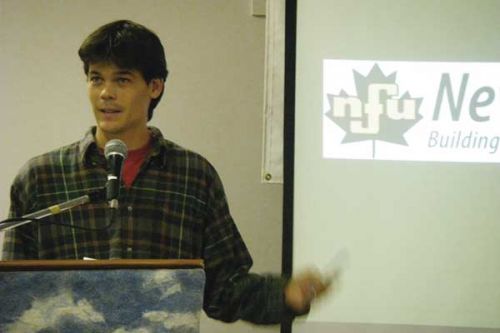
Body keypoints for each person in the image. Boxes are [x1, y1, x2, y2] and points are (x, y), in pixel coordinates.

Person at [2, 20, 329, 324]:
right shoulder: (41, 177)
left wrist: (285, 295)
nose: (105, 93)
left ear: (155, 87)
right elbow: (13, 292)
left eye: (122, 79)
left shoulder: (193, 176)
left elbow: (224, 290)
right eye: (96, 78)